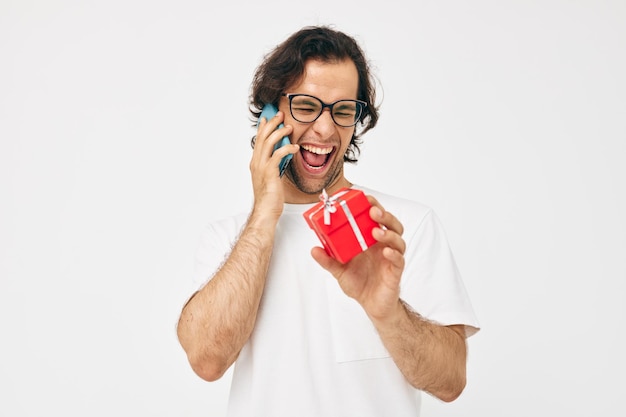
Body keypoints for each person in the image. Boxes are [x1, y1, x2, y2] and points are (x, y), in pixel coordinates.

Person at [177, 25, 480, 417]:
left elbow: (451, 380)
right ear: (271, 114)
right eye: (306, 105)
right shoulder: (229, 239)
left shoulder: (401, 226)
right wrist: (266, 213)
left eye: (342, 111)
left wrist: (388, 314)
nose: (324, 128)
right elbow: (207, 360)